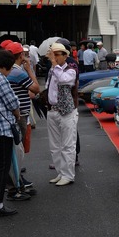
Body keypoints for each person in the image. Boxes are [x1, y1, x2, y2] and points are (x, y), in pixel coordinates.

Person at [6, 42, 40, 200]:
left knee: (17, 149)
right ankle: (16, 183)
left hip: (19, 113)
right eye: (24, 53)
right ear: (20, 55)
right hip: (20, 114)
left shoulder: (10, 71)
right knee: (18, 149)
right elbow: (35, 89)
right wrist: (29, 70)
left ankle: (17, 179)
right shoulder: (18, 72)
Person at [0, 50, 21, 217]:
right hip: (0, 129)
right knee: (0, 168)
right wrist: (17, 114)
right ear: (4, 67)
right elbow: (12, 101)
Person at [46, 43, 78, 186]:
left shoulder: (70, 70)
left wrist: (54, 65)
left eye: (58, 54)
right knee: (55, 146)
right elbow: (48, 87)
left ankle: (68, 175)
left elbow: (65, 80)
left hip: (66, 111)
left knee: (67, 145)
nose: (55, 57)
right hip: (52, 110)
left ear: (65, 56)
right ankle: (61, 172)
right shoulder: (52, 70)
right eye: (53, 54)